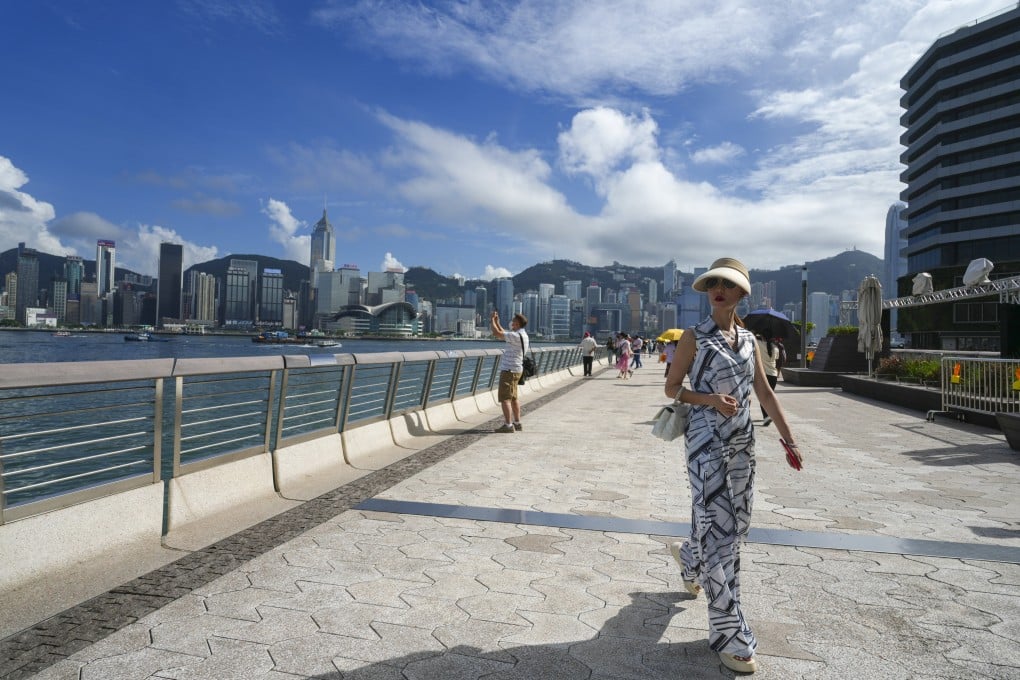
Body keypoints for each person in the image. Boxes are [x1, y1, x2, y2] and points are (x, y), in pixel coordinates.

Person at [663, 257, 804, 675]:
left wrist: (789, 439)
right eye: (713, 283)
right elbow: (672, 387)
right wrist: (708, 399)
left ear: (741, 293)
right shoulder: (694, 336)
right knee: (717, 532)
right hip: (705, 443)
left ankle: (689, 557)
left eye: (728, 284)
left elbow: (764, 391)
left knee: (733, 526)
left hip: (743, 443)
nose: (718, 289)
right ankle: (730, 632)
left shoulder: (748, 340)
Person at [490, 310, 529, 433]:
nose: (511, 323)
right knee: (513, 398)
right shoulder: (522, 335)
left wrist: (492, 320)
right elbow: (504, 333)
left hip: (509, 370)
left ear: (517, 323)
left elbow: (497, 333)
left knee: (505, 398)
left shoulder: (515, 336)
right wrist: (497, 322)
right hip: (517, 369)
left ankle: (508, 425)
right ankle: (517, 423)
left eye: (513, 321)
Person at [755, 333, 780, 425]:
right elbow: (777, 359)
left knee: (763, 397)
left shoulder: (758, 343)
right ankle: (769, 416)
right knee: (769, 396)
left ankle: (766, 417)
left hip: (763, 375)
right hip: (773, 375)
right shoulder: (775, 348)